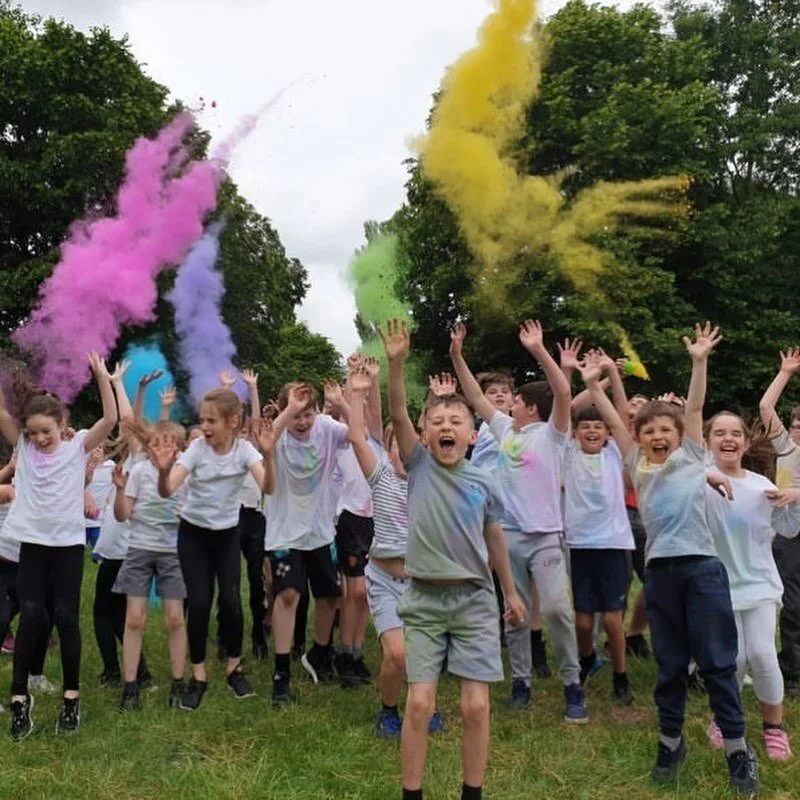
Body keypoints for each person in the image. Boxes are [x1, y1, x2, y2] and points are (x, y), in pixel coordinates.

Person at [579, 323, 760, 795]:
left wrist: (699, 361)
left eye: (666, 430)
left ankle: (739, 750)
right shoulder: (634, 463)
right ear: (639, 438)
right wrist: (592, 383)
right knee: (671, 664)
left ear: (680, 437)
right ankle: (671, 741)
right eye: (650, 430)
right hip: (660, 574)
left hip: (702, 570)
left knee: (718, 663)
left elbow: (696, 406)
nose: (658, 435)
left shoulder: (690, 459)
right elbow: (615, 419)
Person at [381, 317, 524, 800]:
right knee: (419, 704)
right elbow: (398, 412)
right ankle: (412, 793)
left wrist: (512, 591)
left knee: (476, 709)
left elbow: (495, 537)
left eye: (455, 422)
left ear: (471, 435)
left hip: (475, 602)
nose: (445, 427)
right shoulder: (418, 464)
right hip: (422, 601)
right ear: (424, 434)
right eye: (436, 422)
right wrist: (396, 364)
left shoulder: (483, 481)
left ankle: (472, 792)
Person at [450, 319, 585, 720]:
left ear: (531, 407)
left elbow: (562, 390)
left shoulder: (553, 433)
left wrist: (539, 350)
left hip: (545, 537)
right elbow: (475, 396)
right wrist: (458, 355)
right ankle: (521, 681)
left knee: (558, 610)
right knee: (515, 612)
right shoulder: (506, 428)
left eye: (518, 401)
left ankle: (572, 684)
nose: (511, 404)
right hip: (507, 536)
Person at [3, 353, 118, 741]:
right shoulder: (25, 446)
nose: (39, 438)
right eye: (33, 432)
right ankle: (20, 699)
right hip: (33, 546)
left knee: (66, 617)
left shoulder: (77, 448)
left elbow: (111, 420)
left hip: (68, 547)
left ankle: (71, 697)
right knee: (32, 616)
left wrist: (102, 377)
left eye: (46, 431)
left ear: (63, 425)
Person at [152, 387, 276, 711]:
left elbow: (269, 487)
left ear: (232, 421)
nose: (205, 426)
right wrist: (164, 470)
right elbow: (168, 491)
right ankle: (199, 676)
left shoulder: (245, 450)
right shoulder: (195, 449)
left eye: (211, 421)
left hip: (226, 535)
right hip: (193, 535)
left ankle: (235, 668)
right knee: (201, 601)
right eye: (202, 420)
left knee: (232, 601)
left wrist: (270, 455)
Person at [347, 362, 443, 739]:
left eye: (409, 447)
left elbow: (430, 427)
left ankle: (425, 704)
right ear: (386, 453)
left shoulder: (431, 478)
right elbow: (356, 436)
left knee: (425, 653)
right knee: (398, 654)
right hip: (385, 580)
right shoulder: (381, 476)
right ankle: (388, 711)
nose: (402, 452)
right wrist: (357, 393)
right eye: (393, 446)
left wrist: (436, 400)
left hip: (424, 582)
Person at [704, 410, 799, 760]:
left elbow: (788, 528)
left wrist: (794, 497)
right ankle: (725, 719)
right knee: (735, 658)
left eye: (735, 433)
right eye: (719, 433)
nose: (728, 439)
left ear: (745, 442)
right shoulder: (699, 481)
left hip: (759, 583)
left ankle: (774, 728)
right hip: (718, 585)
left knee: (760, 653)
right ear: (708, 441)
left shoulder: (761, 485)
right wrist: (705, 475)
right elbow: (671, 476)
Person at [264, 382, 349, 708]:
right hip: (285, 532)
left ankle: (319, 652)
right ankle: (281, 673)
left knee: (331, 595)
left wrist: (344, 400)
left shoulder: (326, 428)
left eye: (308, 414)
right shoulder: (278, 432)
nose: (302, 422)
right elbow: (266, 437)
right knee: (288, 595)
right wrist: (289, 410)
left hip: (320, 530)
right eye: (296, 415)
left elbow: (359, 433)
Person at [561, 348, 635, 704]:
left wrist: (612, 374)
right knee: (584, 622)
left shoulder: (614, 454)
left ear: (606, 434)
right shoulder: (568, 453)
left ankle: (621, 675)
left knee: (612, 621)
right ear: (576, 434)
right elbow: (567, 409)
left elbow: (619, 415)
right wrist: (581, 376)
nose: (592, 430)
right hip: (580, 546)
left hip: (615, 545)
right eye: (585, 427)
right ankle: (588, 658)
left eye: (597, 427)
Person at [113, 420, 189, 711]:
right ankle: (130, 687)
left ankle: (178, 683)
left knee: (175, 619)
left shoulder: (185, 472)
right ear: (147, 447)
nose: (162, 449)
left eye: (169, 443)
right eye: (156, 443)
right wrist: (120, 491)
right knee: (134, 619)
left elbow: (194, 510)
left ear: (179, 447)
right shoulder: (140, 472)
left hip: (174, 551)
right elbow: (123, 515)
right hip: (140, 549)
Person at [758, 347, 800, 695]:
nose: (798, 429)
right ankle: (792, 669)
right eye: (797, 424)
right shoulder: (787, 448)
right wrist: (785, 373)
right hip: (788, 534)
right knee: (793, 605)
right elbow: (765, 408)